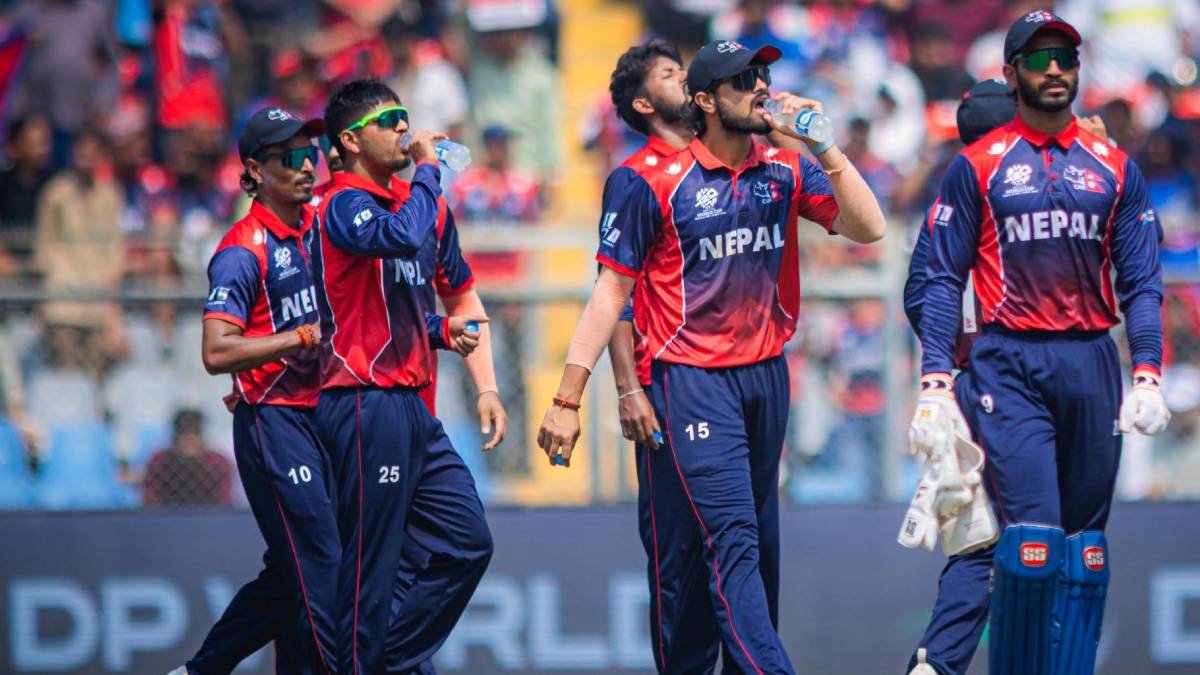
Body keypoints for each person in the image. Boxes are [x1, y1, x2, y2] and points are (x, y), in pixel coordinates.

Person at [537, 39, 885, 673]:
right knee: (727, 547)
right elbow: (611, 292)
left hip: (767, 379)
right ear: (704, 100)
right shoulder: (649, 180)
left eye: (762, 75)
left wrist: (823, 143)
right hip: (691, 382)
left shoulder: (784, 167)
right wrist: (570, 396)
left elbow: (870, 228)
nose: (760, 87)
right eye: (741, 80)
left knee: (757, 548)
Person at [908, 11, 1170, 675]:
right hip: (1009, 361)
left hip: (1091, 361)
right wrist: (937, 382)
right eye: (1038, 58)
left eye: (1065, 57)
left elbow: (1141, 279)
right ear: (1011, 70)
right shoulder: (979, 167)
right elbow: (936, 281)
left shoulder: (1114, 167)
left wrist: (1147, 372)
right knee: (1030, 541)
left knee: (1085, 550)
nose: (1054, 69)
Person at [314, 78, 493, 673]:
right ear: (350, 140)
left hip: (412, 406)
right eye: (389, 119)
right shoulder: (344, 203)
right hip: (364, 403)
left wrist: (448, 337)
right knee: (372, 568)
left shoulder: (416, 205)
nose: (402, 127)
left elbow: (413, 300)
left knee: (468, 543)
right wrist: (427, 171)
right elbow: (399, 239)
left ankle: (382, 663)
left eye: (404, 118)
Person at [195, 106, 336, 673]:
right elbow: (216, 352)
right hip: (271, 419)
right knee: (320, 562)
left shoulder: (320, 223)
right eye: (291, 158)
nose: (308, 167)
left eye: (312, 154)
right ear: (254, 169)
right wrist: (296, 338)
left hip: (322, 417)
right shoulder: (241, 249)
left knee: (296, 570)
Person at [142, 409, 233, 507]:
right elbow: (150, 502)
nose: (189, 439)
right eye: (183, 433)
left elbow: (225, 502)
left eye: (195, 432)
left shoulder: (217, 462)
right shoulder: (160, 461)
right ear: (175, 437)